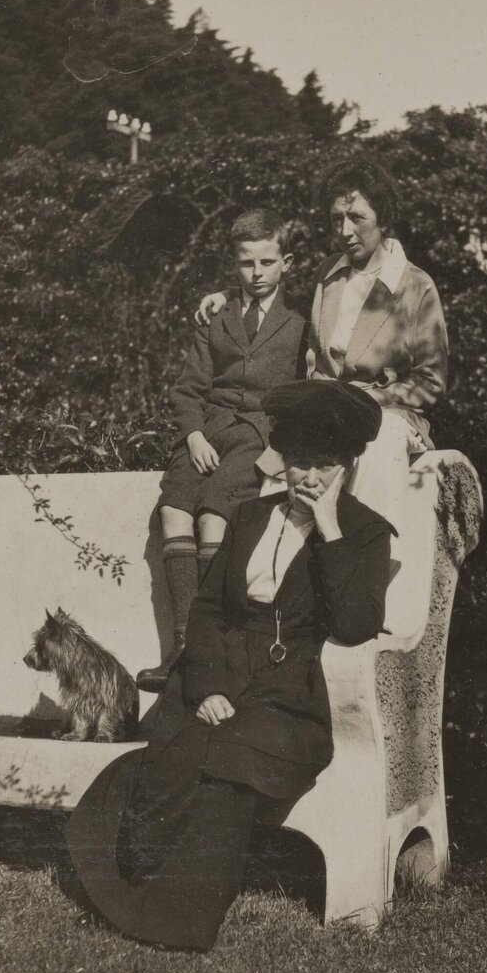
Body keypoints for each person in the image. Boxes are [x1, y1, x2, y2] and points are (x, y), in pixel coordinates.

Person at [64, 380, 394, 952]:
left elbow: (355, 626)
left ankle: (171, 919)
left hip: (288, 698)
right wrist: (211, 685)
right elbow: (211, 609)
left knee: (228, 776)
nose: (309, 479)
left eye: (323, 466)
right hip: (221, 678)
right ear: (283, 463)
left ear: (346, 467)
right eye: (299, 464)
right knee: (177, 756)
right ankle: (127, 887)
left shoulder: (363, 532)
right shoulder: (248, 517)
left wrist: (331, 531)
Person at [196, 158, 448, 635]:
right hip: (322, 406)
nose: (346, 230)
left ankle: (366, 588)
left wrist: (370, 403)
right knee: (278, 469)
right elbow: (268, 293)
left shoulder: (414, 285)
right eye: (337, 219)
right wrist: (223, 299)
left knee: (380, 444)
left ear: (383, 220)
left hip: (386, 411)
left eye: (357, 219)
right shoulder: (328, 277)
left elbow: (431, 380)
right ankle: (274, 595)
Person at [137, 208, 306, 692]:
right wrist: (192, 434)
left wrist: (280, 448)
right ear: (234, 264)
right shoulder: (217, 315)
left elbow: (304, 390)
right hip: (208, 431)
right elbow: (189, 389)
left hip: (257, 435)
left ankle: (205, 650)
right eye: (247, 264)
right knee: (173, 508)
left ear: (286, 263)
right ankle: (183, 644)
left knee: (213, 514)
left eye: (267, 263)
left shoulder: (301, 320)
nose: (257, 274)